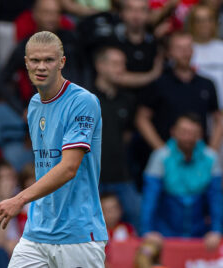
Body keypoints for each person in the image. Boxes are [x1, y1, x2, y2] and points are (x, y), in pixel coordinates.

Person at [0, 31, 108, 267]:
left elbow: (68, 168)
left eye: (49, 60)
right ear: (26, 63)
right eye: (35, 60)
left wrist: (19, 199)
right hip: (37, 233)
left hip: (78, 235)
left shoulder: (82, 102)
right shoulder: (34, 105)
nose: (41, 66)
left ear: (61, 62)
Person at [141, 114, 222, 251]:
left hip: (200, 235)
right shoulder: (160, 157)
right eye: (184, 132)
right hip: (165, 233)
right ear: (173, 132)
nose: (188, 138)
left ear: (200, 135)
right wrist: (147, 230)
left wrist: (217, 231)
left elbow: (216, 199)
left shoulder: (211, 158)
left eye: (193, 133)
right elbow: (150, 198)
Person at [136, 31, 223, 152]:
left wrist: (212, 150)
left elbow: (219, 118)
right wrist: (161, 149)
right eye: (179, 48)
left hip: (198, 156)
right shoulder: (159, 83)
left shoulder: (207, 84)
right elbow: (142, 118)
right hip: (168, 155)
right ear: (169, 53)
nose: (185, 53)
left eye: (188, 47)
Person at [91, 46, 140, 229]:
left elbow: (127, 135)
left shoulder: (127, 100)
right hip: (92, 178)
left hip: (121, 175)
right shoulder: (85, 99)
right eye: (115, 64)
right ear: (100, 66)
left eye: (122, 64)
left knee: (138, 221)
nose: (120, 69)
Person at [189, 4, 223, 109]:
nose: (204, 24)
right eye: (199, 20)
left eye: (209, 20)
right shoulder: (186, 49)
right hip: (195, 113)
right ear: (192, 23)